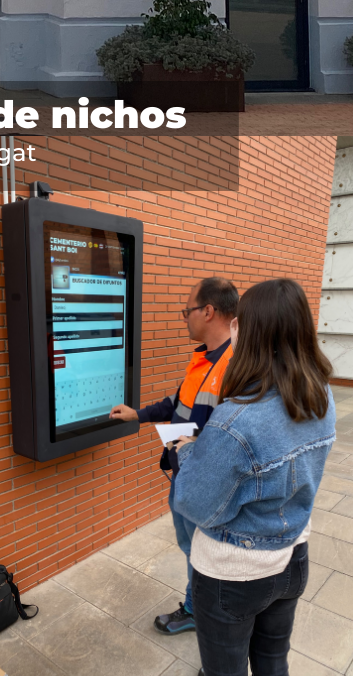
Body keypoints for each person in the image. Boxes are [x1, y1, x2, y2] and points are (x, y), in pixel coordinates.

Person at [171, 279, 335, 676]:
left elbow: (194, 503)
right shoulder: (320, 396)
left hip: (234, 571)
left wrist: (189, 450)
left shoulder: (237, 420)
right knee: (273, 661)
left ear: (252, 331)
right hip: (293, 555)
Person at [109, 277, 238, 636]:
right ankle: (197, 610)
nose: (185, 318)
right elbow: (178, 403)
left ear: (208, 311)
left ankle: (215, 625)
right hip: (184, 472)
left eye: (187, 311)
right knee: (192, 549)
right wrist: (138, 414)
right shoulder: (203, 359)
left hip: (207, 483)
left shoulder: (237, 365)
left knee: (209, 555)